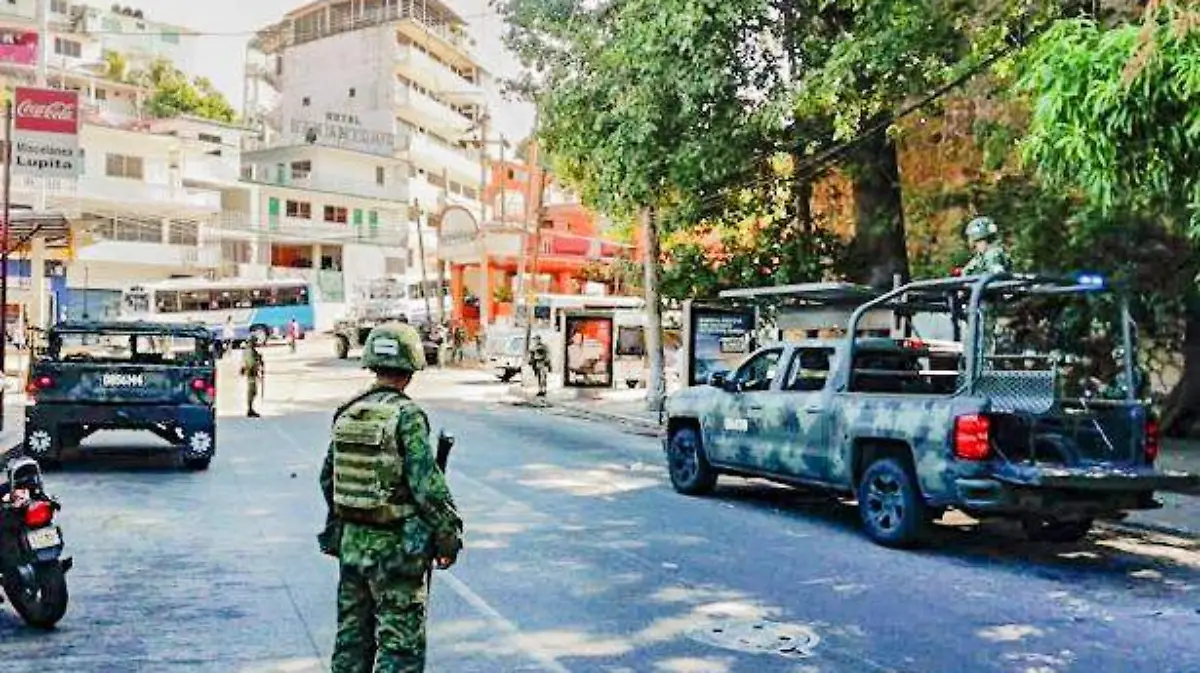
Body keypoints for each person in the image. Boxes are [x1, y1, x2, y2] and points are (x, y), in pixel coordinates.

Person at [318, 322, 463, 673]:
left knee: (352, 643)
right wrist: (448, 539)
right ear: (411, 367)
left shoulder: (348, 410)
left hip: (353, 546)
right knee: (399, 649)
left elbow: (328, 479)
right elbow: (427, 487)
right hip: (397, 551)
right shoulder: (407, 415)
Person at [241, 336, 263, 418]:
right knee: (252, 391)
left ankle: (250, 408)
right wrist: (257, 363)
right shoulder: (249, 351)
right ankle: (250, 409)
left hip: (251, 372)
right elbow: (251, 363)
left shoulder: (250, 350)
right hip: (251, 372)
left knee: (253, 391)